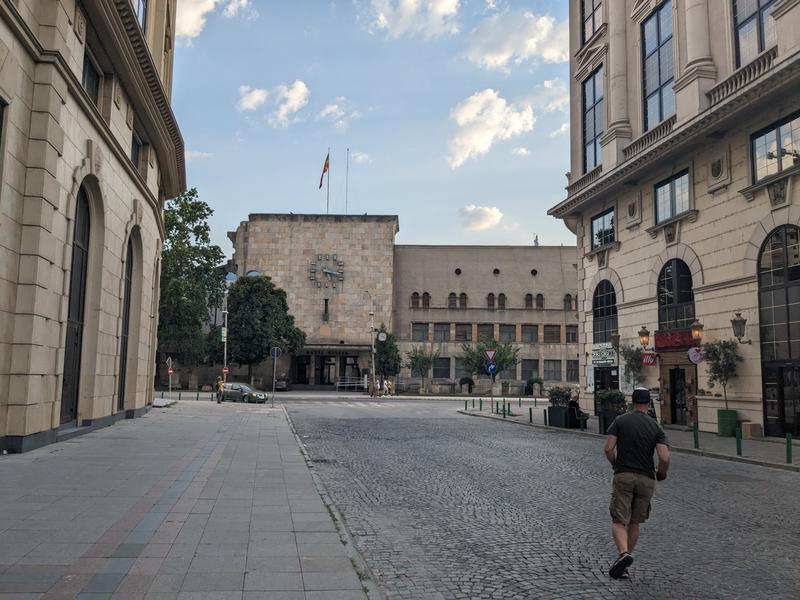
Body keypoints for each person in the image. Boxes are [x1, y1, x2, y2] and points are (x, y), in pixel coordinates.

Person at [603, 387, 670, 580]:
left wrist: (615, 463)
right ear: (649, 404)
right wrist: (661, 473)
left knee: (618, 519)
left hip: (624, 474)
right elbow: (664, 458)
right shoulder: (655, 426)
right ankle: (624, 563)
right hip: (646, 478)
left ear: (632, 402)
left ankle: (624, 554)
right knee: (635, 521)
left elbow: (608, 448)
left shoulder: (621, 420)